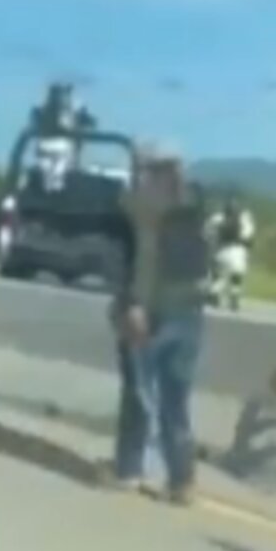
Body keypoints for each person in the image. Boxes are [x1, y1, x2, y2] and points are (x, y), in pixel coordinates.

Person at [108, 145, 211, 505]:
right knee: (175, 401)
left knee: (137, 394)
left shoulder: (142, 207)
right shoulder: (192, 206)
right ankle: (181, 480)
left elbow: (140, 262)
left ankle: (129, 468)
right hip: (190, 314)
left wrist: (132, 305)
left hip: (150, 312)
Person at [205, 194, 255, 311]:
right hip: (238, 251)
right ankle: (234, 298)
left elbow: (207, 233)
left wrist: (212, 242)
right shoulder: (244, 219)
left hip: (221, 250)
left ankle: (214, 295)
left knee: (217, 275)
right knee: (236, 277)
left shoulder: (216, 219)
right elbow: (248, 237)